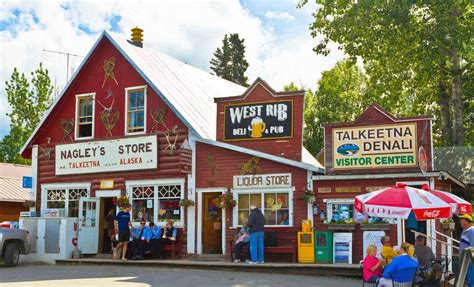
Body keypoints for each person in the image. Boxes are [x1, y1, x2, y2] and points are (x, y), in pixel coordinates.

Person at [459, 214, 474, 287]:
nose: (459, 222)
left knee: (472, 280)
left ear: (465, 221)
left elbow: (472, 248)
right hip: (465, 259)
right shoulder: (464, 231)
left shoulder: (472, 232)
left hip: (470, 260)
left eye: (461, 221)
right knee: (468, 280)